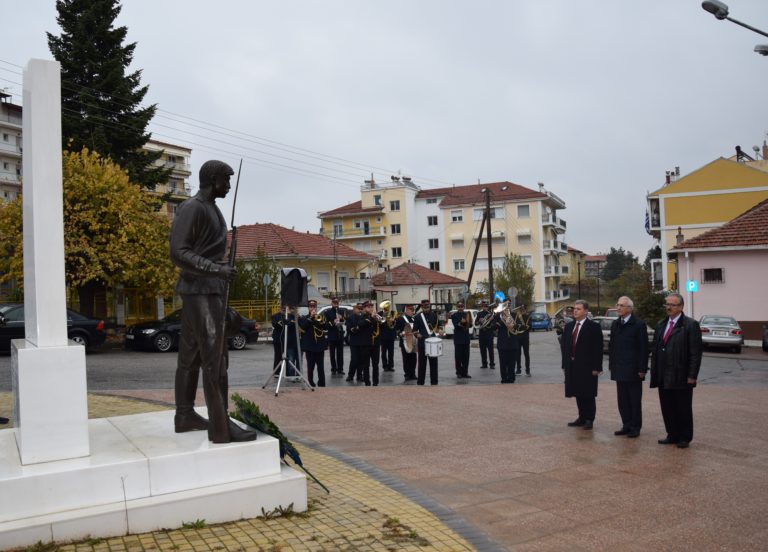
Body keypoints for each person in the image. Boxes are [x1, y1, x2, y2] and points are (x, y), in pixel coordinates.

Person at [169, 159, 256, 443]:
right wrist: (216, 269)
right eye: (225, 181)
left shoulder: (210, 208)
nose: (229, 186)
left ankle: (184, 415)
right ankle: (221, 428)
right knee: (214, 359)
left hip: (206, 290)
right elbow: (178, 252)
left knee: (190, 356)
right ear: (213, 179)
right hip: (201, 291)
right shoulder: (193, 207)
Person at [650, 292, 702, 449]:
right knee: (667, 406)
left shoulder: (690, 325)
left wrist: (692, 375)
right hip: (663, 375)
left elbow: (695, 353)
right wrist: (654, 371)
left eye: (672, 305)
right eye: (667, 304)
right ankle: (672, 434)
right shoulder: (661, 324)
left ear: (681, 307)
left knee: (682, 407)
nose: (669, 307)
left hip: (681, 374)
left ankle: (684, 437)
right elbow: (656, 349)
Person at [608, 296, 648, 438]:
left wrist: (643, 369)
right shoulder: (615, 324)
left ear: (630, 308)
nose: (618, 308)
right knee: (622, 400)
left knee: (634, 400)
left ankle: (635, 427)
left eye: (622, 305)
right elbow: (612, 347)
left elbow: (643, 348)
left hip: (633, 370)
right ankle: (626, 424)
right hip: (619, 368)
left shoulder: (638, 324)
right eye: (617, 305)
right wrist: (611, 365)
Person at [560, 300, 603, 430]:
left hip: (588, 366)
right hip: (572, 365)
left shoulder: (594, 327)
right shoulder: (569, 326)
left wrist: (597, 367)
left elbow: (598, 349)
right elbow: (565, 347)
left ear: (585, 311)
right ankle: (582, 417)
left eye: (578, 309)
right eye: (574, 308)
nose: (575, 311)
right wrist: (564, 364)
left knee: (587, 393)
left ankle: (589, 418)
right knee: (577, 392)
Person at [413, 300, 443, 385]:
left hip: (433, 343)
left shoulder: (434, 315)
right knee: (422, 364)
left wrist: (440, 330)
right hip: (422, 343)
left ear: (429, 306)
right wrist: (417, 334)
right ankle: (420, 382)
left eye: (427, 307)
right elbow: (414, 330)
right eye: (424, 307)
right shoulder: (418, 317)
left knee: (434, 364)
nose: (426, 308)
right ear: (422, 307)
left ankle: (434, 382)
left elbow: (439, 325)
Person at [299, 299, 328, 387]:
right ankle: (310, 382)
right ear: (308, 308)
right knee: (310, 367)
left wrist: (316, 319)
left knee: (320, 367)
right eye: (311, 307)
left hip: (319, 346)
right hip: (309, 347)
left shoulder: (321, 317)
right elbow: (303, 327)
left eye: (314, 306)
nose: (312, 308)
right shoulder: (304, 318)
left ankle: (322, 383)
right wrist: (310, 318)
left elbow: (325, 326)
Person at [494, 307, 519, 383]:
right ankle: (504, 378)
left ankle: (511, 378)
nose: (507, 308)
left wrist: (513, 326)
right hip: (502, 343)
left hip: (513, 342)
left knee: (512, 362)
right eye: (505, 307)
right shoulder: (498, 316)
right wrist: (502, 321)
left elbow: (519, 326)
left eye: (508, 306)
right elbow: (493, 327)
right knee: (503, 362)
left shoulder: (515, 315)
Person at [272, 306, 299, 376]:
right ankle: (277, 372)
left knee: (288, 357)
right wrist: (284, 322)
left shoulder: (290, 316)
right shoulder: (275, 316)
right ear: (279, 308)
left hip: (288, 339)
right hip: (278, 339)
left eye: (284, 308)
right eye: (282, 308)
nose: (283, 309)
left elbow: (292, 324)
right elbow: (275, 324)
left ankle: (287, 373)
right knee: (278, 356)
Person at [356, 300, 377, 386]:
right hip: (365, 344)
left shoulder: (375, 316)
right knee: (366, 365)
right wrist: (371, 318)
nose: (371, 308)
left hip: (375, 344)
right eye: (369, 307)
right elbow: (361, 325)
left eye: (371, 307)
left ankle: (376, 382)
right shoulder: (361, 316)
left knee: (375, 364)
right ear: (364, 308)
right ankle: (367, 382)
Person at [395, 304, 418, 381]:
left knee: (413, 359)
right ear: (407, 310)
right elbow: (397, 330)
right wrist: (401, 333)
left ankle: (413, 373)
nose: (412, 312)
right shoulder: (400, 319)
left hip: (413, 342)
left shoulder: (414, 319)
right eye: (411, 310)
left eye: (413, 310)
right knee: (406, 359)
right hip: (405, 342)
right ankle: (407, 374)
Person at [450, 301, 472, 378]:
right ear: (457, 307)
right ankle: (458, 372)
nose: (460, 308)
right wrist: (462, 322)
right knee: (458, 357)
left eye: (462, 306)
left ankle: (465, 372)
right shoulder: (454, 315)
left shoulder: (467, 314)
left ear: (463, 307)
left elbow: (470, 325)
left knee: (466, 357)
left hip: (466, 339)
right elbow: (456, 325)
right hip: (458, 339)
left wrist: (468, 322)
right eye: (459, 307)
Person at [324, 297, 345, 375]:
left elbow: (343, 321)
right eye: (334, 303)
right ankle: (333, 368)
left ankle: (340, 369)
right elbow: (326, 324)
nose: (336, 304)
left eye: (337, 303)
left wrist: (341, 318)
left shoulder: (341, 311)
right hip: (332, 335)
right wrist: (333, 322)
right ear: (332, 303)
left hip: (339, 334)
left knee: (340, 353)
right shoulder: (328, 312)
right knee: (332, 354)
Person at [474, 301, 496, 369]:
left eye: (486, 306)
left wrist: (490, 322)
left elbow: (494, 325)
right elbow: (476, 323)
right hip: (482, 334)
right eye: (484, 306)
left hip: (489, 334)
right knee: (482, 350)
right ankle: (484, 364)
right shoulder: (479, 314)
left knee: (490, 350)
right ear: (482, 307)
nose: (485, 307)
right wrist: (479, 321)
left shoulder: (491, 314)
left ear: (488, 307)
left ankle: (492, 364)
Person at [346, 303, 362, 382]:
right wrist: (356, 328)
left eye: (360, 308)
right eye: (358, 308)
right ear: (354, 309)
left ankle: (359, 376)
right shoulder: (350, 318)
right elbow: (349, 329)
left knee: (361, 360)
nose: (359, 310)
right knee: (354, 359)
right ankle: (350, 375)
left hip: (362, 341)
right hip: (354, 341)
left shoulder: (363, 317)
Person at [378, 301, 397, 372]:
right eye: (385, 305)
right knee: (383, 352)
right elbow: (379, 324)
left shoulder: (392, 313)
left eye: (388, 305)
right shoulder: (379, 314)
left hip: (391, 335)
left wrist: (393, 321)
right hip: (383, 336)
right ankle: (385, 366)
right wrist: (384, 320)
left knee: (391, 352)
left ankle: (390, 366)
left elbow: (395, 324)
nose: (387, 307)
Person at [515, 304, 532, 376]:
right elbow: (515, 325)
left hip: (525, 337)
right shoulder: (517, 317)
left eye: (523, 309)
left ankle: (528, 371)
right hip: (518, 337)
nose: (522, 311)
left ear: (525, 309)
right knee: (517, 354)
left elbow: (528, 327)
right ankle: (518, 370)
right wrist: (519, 326)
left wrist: (520, 326)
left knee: (526, 354)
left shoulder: (528, 317)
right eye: (521, 309)